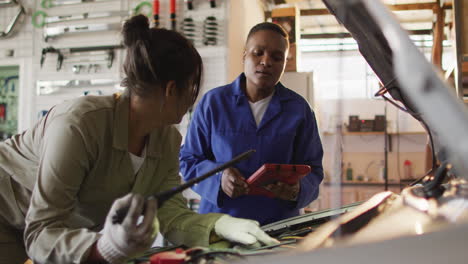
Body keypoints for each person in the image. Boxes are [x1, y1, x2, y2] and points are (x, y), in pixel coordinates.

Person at [0, 15, 277, 264]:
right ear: (171, 89)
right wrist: (107, 247)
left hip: (50, 232)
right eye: (192, 87)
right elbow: (41, 232)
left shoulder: (167, 140)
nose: (194, 98)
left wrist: (219, 227)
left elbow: (169, 213)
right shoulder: (79, 125)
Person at [180, 22, 324, 225]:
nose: (266, 62)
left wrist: (297, 190)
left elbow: (314, 170)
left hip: (279, 229)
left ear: (284, 63)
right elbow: (189, 160)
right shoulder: (213, 103)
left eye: (276, 57)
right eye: (258, 53)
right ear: (244, 55)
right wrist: (219, 178)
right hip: (219, 226)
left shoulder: (299, 110)